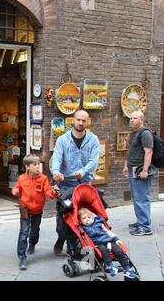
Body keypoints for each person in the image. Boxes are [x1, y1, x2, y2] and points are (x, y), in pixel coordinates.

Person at [51, 109, 100, 254]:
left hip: (84, 184)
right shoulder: (62, 140)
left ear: (88, 122)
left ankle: (76, 244)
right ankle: (61, 237)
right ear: (73, 120)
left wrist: (83, 171)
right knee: (63, 216)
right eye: (78, 120)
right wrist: (55, 172)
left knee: (83, 215)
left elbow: (94, 161)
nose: (80, 123)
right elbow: (57, 159)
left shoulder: (93, 140)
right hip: (65, 184)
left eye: (84, 120)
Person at [11, 154, 58, 270]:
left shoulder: (43, 179)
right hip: (25, 209)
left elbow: (48, 192)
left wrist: (54, 192)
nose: (38, 167)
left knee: (35, 230)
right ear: (27, 167)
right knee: (23, 232)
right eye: (35, 165)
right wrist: (15, 191)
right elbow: (16, 188)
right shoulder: (22, 178)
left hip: (37, 210)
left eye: (39, 164)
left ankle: (32, 244)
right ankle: (22, 256)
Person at [78, 208, 139, 279]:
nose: (87, 219)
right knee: (104, 251)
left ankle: (127, 269)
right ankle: (110, 267)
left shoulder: (98, 223)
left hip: (109, 241)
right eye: (84, 218)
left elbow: (108, 232)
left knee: (119, 251)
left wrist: (116, 239)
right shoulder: (82, 228)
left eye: (89, 217)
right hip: (98, 243)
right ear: (80, 221)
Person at [122, 111, 154, 236]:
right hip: (132, 169)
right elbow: (130, 151)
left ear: (141, 119)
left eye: (135, 118)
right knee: (137, 197)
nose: (132, 120)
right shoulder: (133, 133)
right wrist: (126, 166)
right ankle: (141, 221)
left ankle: (145, 227)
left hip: (140, 170)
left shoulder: (145, 133)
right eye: (130, 118)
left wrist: (145, 170)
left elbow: (149, 152)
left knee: (142, 198)